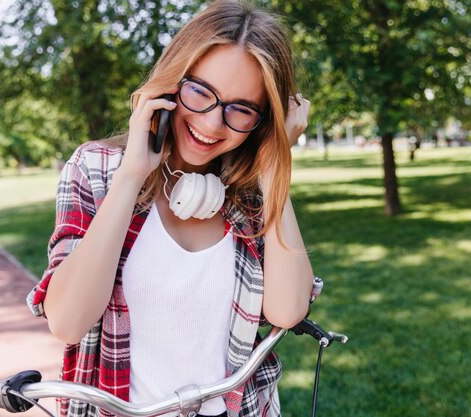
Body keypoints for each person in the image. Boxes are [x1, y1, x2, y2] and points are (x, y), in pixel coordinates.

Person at [27, 1, 315, 416]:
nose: (213, 124)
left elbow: (287, 311)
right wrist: (131, 176)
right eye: (200, 92)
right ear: (171, 82)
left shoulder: (251, 190)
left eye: (242, 109)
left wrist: (275, 167)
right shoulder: (96, 169)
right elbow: (68, 321)